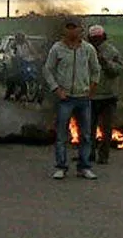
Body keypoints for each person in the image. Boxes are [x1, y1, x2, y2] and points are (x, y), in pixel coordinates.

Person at [43, 16, 101, 180]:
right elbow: (47, 70)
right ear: (64, 30)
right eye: (68, 27)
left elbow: (96, 70)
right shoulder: (57, 49)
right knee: (62, 134)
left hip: (83, 98)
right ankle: (61, 166)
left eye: (74, 27)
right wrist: (56, 89)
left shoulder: (88, 49)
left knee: (86, 135)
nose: (71, 30)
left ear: (81, 30)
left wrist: (92, 89)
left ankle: (84, 167)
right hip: (65, 98)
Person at [87, 25, 123, 165]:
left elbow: (120, 69)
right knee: (89, 128)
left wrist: (106, 63)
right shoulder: (85, 50)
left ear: (103, 37)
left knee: (106, 128)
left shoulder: (111, 51)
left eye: (99, 39)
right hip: (91, 95)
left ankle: (103, 155)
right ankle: (89, 153)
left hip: (108, 96)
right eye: (94, 39)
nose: (97, 42)